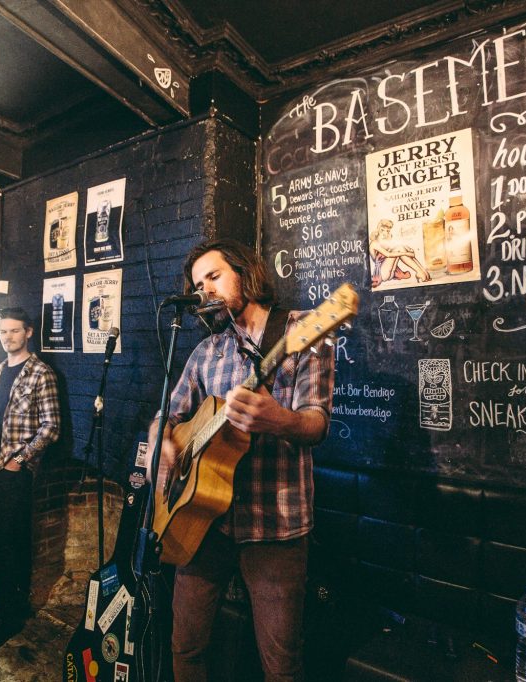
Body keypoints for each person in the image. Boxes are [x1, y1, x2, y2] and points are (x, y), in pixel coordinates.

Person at [148, 238, 335, 682]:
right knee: (185, 647)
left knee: (281, 664)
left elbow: (316, 424)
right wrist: (163, 443)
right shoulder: (207, 351)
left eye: (214, 277)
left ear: (245, 272)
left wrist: (278, 420)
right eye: (198, 285)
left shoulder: (302, 329)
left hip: (275, 525)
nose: (205, 291)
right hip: (201, 523)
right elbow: (165, 416)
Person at [0, 306, 60, 662]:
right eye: (3, 331)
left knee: (4, 540)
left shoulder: (41, 373)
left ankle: (7, 617)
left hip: (14, 470)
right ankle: (3, 602)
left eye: (14, 330)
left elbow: (51, 427)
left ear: (28, 332)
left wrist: (21, 459)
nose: (7, 337)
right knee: (2, 541)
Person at [369, 218, 430, 286]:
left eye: (388, 231)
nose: (385, 233)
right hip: (382, 274)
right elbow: (388, 255)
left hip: (392, 273)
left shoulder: (386, 242)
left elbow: (404, 250)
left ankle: (422, 271)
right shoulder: (374, 243)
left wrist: (409, 251)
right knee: (399, 249)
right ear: (378, 229)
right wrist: (406, 253)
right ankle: (420, 272)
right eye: (382, 230)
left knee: (400, 247)